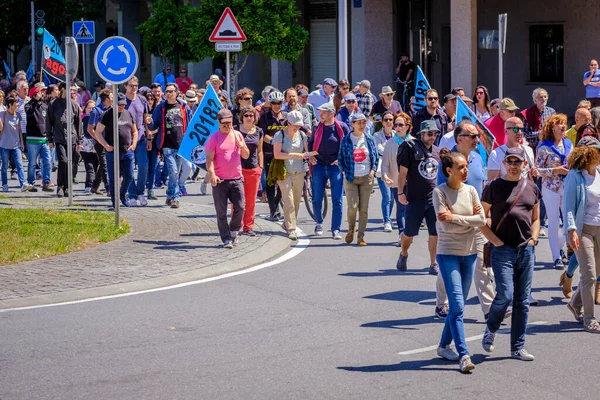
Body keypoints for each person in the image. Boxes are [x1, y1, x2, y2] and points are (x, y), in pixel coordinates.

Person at [480, 147, 541, 362]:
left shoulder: (531, 187)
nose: (514, 166)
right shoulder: (493, 187)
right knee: (505, 294)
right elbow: (480, 216)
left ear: (524, 164)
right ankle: (491, 328)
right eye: (510, 162)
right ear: (504, 164)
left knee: (522, 301)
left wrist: (533, 239)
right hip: (502, 249)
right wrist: (495, 240)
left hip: (525, 249)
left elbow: (536, 218)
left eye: (518, 162)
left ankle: (518, 347)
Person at [433, 150, 486, 373]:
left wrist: (454, 217)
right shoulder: (439, 192)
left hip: (470, 252)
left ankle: (444, 346)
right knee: (457, 304)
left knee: (458, 305)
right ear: (449, 171)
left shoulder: (471, 190)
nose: (466, 171)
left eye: (466, 167)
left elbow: (482, 219)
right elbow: (443, 226)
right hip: (448, 253)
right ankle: (464, 354)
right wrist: (469, 221)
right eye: (461, 168)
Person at [439, 122, 494, 321]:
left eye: (477, 136)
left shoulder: (479, 158)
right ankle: (442, 302)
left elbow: (483, 186)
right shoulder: (447, 160)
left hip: (476, 220)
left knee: (481, 264)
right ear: (459, 138)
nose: (477, 140)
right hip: (454, 221)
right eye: (472, 136)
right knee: (450, 264)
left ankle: (490, 309)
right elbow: (441, 191)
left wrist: (487, 213)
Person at [563, 143, 600, 332]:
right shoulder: (575, 177)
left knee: (598, 271)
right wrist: (571, 229)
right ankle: (590, 319)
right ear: (589, 154)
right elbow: (568, 205)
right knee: (589, 274)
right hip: (582, 228)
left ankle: (575, 303)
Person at [397, 120, 441, 274]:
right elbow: (403, 174)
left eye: (435, 133)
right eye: (430, 133)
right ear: (421, 134)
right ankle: (403, 253)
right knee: (409, 234)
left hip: (433, 200)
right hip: (414, 199)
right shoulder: (410, 149)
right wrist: (401, 193)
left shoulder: (437, 151)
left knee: (434, 233)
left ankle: (433, 262)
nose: (432, 136)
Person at [206, 109, 250, 248]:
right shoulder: (214, 138)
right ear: (218, 123)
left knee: (241, 207)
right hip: (220, 180)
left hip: (236, 179)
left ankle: (234, 230)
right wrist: (212, 174)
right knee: (221, 212)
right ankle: (226, 238)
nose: (227, 126)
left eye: (229, 123)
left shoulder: (237, 135)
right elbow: (209, 159)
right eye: (224, 123)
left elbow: (246, 156)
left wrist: (242, 146)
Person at [308, 102, 350, 238]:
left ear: (331, 114)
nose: (320, 114)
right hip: (318, 165)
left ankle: (336, 229)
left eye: (323, 112)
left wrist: (341, 159)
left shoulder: (342, 127)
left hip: (335, 166)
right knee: (316, 198)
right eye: (320, 112)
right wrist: (310, 157)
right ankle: (319, 222)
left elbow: (349, 145)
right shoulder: (316, 127)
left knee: (337, 199)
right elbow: (310, 144)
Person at [146, 83, 192, 208]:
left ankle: (170, 194)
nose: (168, 93)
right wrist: (149, 123)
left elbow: (190, 122)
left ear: (176, 93)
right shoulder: (160, 107)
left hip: (180, 144)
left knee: (174, 173)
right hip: (166, 144)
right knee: (174, 170)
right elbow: (154, 125)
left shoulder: (183, 106)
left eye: (171, 91)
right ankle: (175, 198)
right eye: (166, 91)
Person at [536, 114, 572, 269]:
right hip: (550, 188)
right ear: (551, 127)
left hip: (568, 186)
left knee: (568, 223)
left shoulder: (569, 144)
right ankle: (556, 256)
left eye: (564, 123)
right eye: (559, 124)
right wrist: (554, 170)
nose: (562, 126)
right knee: (554, 222)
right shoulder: (544, 147)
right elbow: (537, 170)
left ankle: (559, 246)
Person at [338, 113, 378, 246]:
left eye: (363, 123)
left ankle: (361, 236)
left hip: (367, 177)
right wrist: (343, 171)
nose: (362, 125)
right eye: (358, 123)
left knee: (364, 208)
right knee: (352, 207)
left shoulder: (369, 139)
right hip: (351, 177)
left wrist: (373, 171)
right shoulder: (346, 139)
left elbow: (375, 157)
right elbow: (340, 158)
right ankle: (351, 228)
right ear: (352, 124)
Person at [273, 110, 310, 240]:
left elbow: (306, 151)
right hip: (284, 172)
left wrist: (311, 156)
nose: (297, 127)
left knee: (296, 201)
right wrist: (295, 155)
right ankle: (291, 228)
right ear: (288, 123)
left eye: (299, 125)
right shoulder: (279, 135)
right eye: (295, 125)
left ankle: (287, 223)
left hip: (299, 171)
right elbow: (277, 154)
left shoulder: (301, 135)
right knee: (288, 200)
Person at [46, 82, 82, 198]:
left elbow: (78, 124)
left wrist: (79, 141)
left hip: (72, 138)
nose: (71, 91)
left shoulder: (74, 105)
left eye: (72, 89)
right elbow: (49, 122)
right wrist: (50, 139)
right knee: (63, 161)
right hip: (59, 138)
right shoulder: (53, 104)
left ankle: (67, 187)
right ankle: (60, 186)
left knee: (70, 164)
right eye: (69, 89)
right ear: (62, 90)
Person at [381, 112, 412, 242]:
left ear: (407, 127)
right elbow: (385, 164)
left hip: (412, 183)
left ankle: (408, 233)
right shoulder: (390, 143)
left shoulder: (414, 142)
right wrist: (385, 176)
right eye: (396, 125)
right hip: (396, 182)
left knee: (410, 209)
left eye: (400, 125)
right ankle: (402, 234)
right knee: (401, 209)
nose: (397, 127)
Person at [258, 90, 287, 220]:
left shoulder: (286, 116)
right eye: (274, 103)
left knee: (283, 182)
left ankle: (275, 203)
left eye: (279, 103)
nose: (276, 105)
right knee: (270, 183)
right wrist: (274, 142)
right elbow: (263, 135)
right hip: (269, 153)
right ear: (270, 103)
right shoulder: (264, 117)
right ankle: (273, 211)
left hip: (283, 154)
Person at [236, 106, 263, 236]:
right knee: (238, 200)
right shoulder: (235, 130)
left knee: (251, 201)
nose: (248, 117)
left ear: (255, 117)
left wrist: (261, 167)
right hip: (238, 169)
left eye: (251, 115)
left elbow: (260, 151)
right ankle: (236, 225)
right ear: (242, 117)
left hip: (253, 169)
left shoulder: (259, 131)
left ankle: (248, 227)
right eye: (246, 115)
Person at [124, 76, 150, 206]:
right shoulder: (121, 101)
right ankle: (132, 194)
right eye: (131, 85)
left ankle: (140, 192)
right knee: (128, 169)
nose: (134, 88)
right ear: (125, 86)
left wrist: (149, 136)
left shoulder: (142, 99)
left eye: (136, 85)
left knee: (143, 165)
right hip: (125, 140)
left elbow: (146, 119)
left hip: (140, 138)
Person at [487, 117, 536, 182]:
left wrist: (534, 174)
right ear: (506, 131)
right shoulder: (496, 154)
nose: (520, 132)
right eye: (516, 129)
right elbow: (491, 183)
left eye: (522, 129)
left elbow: (530, 177)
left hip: (525, 190)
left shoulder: (528, 150)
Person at [24, 86, 53, 192]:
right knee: (32, 162)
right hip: (32, 139)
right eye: (40, 92)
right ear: (35, 94)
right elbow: (30, 112)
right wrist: (34, 101)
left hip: (44, 139)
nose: (43, 94)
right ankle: (31, 183)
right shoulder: (28, 105)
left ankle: (46, 182)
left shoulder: (45, 105)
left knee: (47, 161)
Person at [373, 111, 396, 232]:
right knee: (386, 196)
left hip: (395, 169)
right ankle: (387, 221)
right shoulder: (377, 136)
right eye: (386, 119)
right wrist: (392, 150)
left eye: (390, 120)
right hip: (382, 169)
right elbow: (379, 149)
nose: (388, 122)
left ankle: (387, 217)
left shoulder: (397, 134)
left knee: (392, 198)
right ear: (382, 122)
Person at [0, 96, 29, 192]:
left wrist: (22, 142)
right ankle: (4, 184)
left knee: (19, 165)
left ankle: (23, 184)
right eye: (16, 103)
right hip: (4, 144)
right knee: (4, 166)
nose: (18, 104)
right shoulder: (2, 114)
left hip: (16, 144)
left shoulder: (18, 115)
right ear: (10, 105)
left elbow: (20, 130)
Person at [87, 88, 112, 196]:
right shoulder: (96, 111)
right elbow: (90, 129)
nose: (113, 99)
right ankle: (109, 189)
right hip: (99, 143)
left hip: (109, 141)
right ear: (106, 99)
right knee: (105, 165)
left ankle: (95, 186)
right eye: (111, 97)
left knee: (103, 165)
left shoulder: (111, 110)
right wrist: (99, 140)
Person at [522, 88, 556, 152]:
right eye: (540, 97)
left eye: (545, 96)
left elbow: (554, 129)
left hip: (547, 147)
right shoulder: (527, 113)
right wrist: (540, 133)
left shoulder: (551, 112)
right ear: (535, 100)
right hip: (532, 148)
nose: (543, 99)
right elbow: (525, 133)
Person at [80, 100, 97, 194]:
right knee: (89, 167)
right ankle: (88, 186)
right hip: (85, 147)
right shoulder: (83, 119)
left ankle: (94, 186)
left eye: (93, 108)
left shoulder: (98, 118)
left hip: (96, 146)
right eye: (89, 107)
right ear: (85, 109)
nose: (91, 109)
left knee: (96, 166)